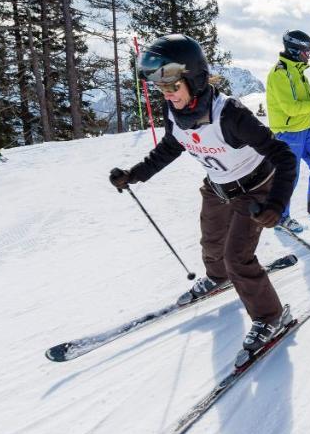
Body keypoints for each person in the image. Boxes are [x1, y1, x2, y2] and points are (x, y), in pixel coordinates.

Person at [109, 34, 298, 363]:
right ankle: (218, 276)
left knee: (237, 257)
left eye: (173, 87)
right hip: (218, 186)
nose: (168, 95)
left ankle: (270, 316)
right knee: (211, 239)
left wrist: (276, 205)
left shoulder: (230, 115)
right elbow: (172, 146)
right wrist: (135, 173)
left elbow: (284, 156)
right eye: (162, 90)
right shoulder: (175, 112)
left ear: (194, 78)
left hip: (254, 188)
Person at [265, 29, 310, 231]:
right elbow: (291, 107)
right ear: (295, 50)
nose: (309, 55)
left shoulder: (297, 70)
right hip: (287, 134)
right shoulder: (280, 73)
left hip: (304, 131)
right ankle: (280, 217)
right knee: (289, 176)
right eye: (306, 51)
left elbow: (303, 98)